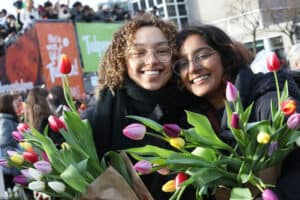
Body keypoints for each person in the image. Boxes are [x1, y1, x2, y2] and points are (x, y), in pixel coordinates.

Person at [173, 25, 300, 199]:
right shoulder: (190, 123)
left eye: (202, 55)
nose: (192, 68)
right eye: (182, 63)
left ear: (225, 56)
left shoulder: (268, 101)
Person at [86, 13, 195, 199]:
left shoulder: (197, 107)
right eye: (139, 52)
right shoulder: (95, 121)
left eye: (162, 51)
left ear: (174, 57)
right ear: (122, 60)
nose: (151, 60)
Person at [0, 93, 19, 188]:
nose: (17, 104)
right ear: (9, 104)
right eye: (15, 102)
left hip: (10, 166)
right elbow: (4, 144)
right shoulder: (5, 122)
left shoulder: (8, 120)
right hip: (9, 169)